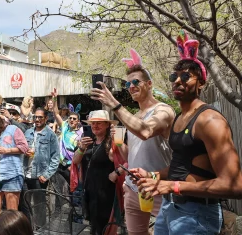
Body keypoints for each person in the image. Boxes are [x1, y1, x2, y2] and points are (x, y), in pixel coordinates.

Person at [131, 33, 242, 234]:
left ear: (201, 83)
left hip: (197, 215)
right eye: (175, 76)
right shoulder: (180, 118)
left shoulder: (210, 120)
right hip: (169, 209)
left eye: (186, 76)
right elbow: (181, 165)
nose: (178, 81)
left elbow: (234, 186)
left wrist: (173, 186)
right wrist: (154, 175)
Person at [90, 49, 175, 235]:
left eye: (136, 81)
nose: (131, 86)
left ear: (149, 84)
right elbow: (132, 156)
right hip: (132, 188)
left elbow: (146, 131)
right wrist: (120, 144)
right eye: (128, 83)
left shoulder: (163, 111)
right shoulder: (134, 117)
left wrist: (114, 104)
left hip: (157, 187)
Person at [72, 110, 117, 235]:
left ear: (107, 125)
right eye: (93, 123)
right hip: (89, 190)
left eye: (99, 123)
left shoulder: (110, 142)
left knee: (105, 226)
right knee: (93, 225)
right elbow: (75, 160)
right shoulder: (88, 141)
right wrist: (81, 148)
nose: (95, 126)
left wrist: (115, 140)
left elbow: (119, 160)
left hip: (105, 192)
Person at [0, 113, 29, 220]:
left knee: (11, 213)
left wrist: (7, 150)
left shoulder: (12, 129)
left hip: (12, 175)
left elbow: (24, 147)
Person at [20, 108, 60, 221]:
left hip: (39, 176)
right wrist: (24, 151)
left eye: (40, 117)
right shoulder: (28, 132)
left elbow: (55, 158)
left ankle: (40, 229)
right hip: (25, 174)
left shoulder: (51, 135)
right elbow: (21, 149)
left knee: (39, 206)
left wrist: (46, 175)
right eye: (35, 117)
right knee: (25, 205)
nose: (37, 119)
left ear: (46, 118)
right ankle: (28, 229)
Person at [51, 89, 83, 184]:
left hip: (71, 167)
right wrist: (54, 99)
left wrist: (75, 167)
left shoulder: (80, 134)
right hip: (59, 165)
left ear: (78, 121)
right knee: (59, 192)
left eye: (74, 119)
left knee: (71, 192)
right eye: (70, 118)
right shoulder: (64, 126)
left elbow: (81, 153)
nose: (72, 120)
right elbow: (56, 113)